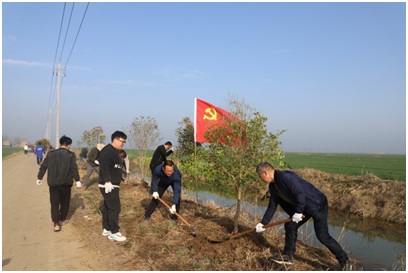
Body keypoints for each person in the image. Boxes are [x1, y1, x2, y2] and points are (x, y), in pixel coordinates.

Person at [255, 162, 351, 270]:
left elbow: (299, 193)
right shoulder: (273, 186)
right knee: (290, 226)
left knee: (323, 236)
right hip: (304, 207)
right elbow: (272, 206)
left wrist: (299, 212)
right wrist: (263, 223)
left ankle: (345, 261)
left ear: (264, 173)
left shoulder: (285, 177)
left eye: (260, 177)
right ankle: (288, 256)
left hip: (317, 204)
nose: (261, 180)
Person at [36, 135, 81, 232]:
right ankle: (62, 219)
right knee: (65, 203)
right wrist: (77, 180)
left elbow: (44, 166)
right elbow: (74, 168)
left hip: (53, 183)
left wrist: (39, 177)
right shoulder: (70, 155)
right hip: (66, 183)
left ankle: (56, 223)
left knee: (54, 203)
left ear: (61, 143)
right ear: (68, 145)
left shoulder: (51, 154)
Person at [98, 131, 128, 242]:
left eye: (124, 142)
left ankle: (107, 228)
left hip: (113, 184)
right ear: (115, 139)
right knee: (115, 208)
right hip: (109, 185)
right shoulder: (108, 151)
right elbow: (104, 166)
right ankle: (114, 232)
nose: (123, 144)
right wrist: (107, 181)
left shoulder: (115, 151)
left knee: (107, 206)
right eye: (122, 141)